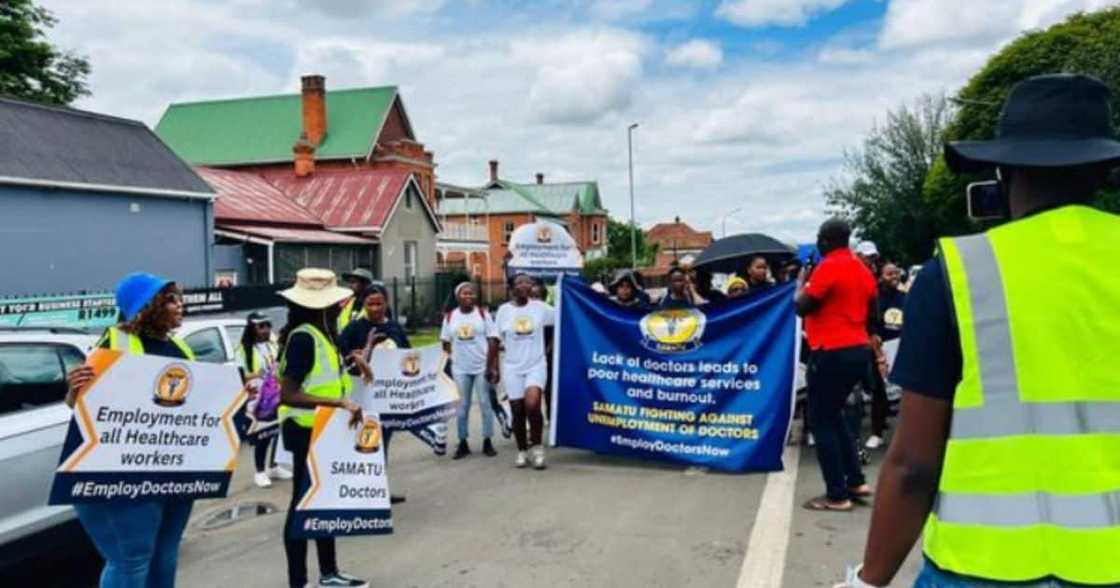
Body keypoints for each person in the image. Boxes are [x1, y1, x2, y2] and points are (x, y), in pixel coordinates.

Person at [843, 74, 1120, 588]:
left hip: (984, 567)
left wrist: (868, 581)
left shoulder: (960, 273)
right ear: (1104, 170)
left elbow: (913, 466)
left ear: (1003, 172)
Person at [64, 273, 197, 588]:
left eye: (179, 298)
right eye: (170, 300)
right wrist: (73, 391)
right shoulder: (116, 342)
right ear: (147, 306)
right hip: (124, 469)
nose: (180, 305)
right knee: (131, 558)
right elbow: (82, 405)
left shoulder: (180, 347)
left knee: (166, 551)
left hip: (175, 466)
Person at [275, 269, 368, 588]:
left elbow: (326, 375)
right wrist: (338, 404)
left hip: (323, 430)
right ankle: (298, 581)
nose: (339, 306)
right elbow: (288, 393)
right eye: (334, 302)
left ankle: (329, 573)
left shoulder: (324, 333)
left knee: (323, 502)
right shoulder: (304, 337)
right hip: (305, 431)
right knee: (302, 505)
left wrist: (354, 361)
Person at [795, 218, 878, 512]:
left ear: (826, 240)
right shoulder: (861, 268)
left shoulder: (829, 266)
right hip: (858, 350)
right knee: (835, 414)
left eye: (820, 238)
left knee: (822, 421)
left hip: (830, 350)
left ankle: (836, 494)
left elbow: (802, 306)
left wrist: (801, 285)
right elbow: (873, 312)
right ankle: (855, 480)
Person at [339, 283, 426, 502]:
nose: (375, 308)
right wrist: (361, 351)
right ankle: (359, 491)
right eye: (370, 304)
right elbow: (344, 358)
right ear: (364, 304)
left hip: (388, 399)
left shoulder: (395, 328)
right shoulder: (354, 329)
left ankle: (379, 490)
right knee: (363, 444)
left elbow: (409, 356)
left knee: (382, 444)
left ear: (387, 303)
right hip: (362, 398)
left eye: (379, 303)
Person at [495, 273, 555, 469]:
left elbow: (564, 315)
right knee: (517, 410)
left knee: (532, 404)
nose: (523, 285)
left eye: (527, 282)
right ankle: (522, 450)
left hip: (536, 365)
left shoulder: (540, 308)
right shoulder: (503, 311)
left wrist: (569, 290)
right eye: (519, 282)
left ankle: (537, 449)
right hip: (512, 367)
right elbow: (494, 340)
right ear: (511, 287)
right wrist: (492, 366)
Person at [441, 282, 500, 459]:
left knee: (485, 403)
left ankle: (487, 440)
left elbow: (493, 340)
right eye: (464, 293)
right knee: (462, 406)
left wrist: (492, 366)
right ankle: (463, 441)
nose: (468, 296)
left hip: (482, 366)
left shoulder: (483, 314)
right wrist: (450, 361)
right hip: (460, 368)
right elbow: (445, 342)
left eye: (471, 293)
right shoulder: (450, 317)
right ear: (457, 296)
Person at [236, 312, 292, 488]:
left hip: (276, 395)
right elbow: (239, 375)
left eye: (268, 325)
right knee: (263, 435)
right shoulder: (244, 350)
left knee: (276, 433)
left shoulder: (272, 345)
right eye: (261, 326)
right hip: (258, 399)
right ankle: (259, 471)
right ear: (252, 329)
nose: (266, 329)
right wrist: (256, 375)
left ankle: (273, 466)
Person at [863, 263, 906, 450]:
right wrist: (878, 352)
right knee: (879, 393)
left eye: (896, 273)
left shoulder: (905, 298)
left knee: (904, 396)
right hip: (879, 350)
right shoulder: (876, 299)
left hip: (900, 349)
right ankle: (877, 433)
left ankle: (905, 436)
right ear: (881, 276)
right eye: (889, 274)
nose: (894, 276)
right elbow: (870, 325)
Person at [337, 268, 374, 332]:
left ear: (365, 284)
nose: (350, 285)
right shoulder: (347, 303)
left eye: (353, 282)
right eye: (349, 282)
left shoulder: (376, 305)